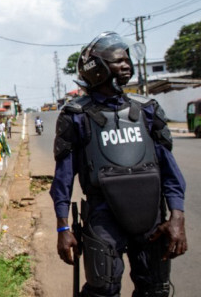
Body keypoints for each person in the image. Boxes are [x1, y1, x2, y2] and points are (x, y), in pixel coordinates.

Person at [50, 31, 187, 297]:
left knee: (156, 290)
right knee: (103, 288)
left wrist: (177, 217)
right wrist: (62, 227)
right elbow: (63, 180)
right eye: (117, 61)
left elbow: (171, 172)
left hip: (151, 219)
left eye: (127, 60)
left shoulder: (147, 109)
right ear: (96, 68)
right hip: (103, 218)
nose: (126, 66)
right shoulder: (76, 116)